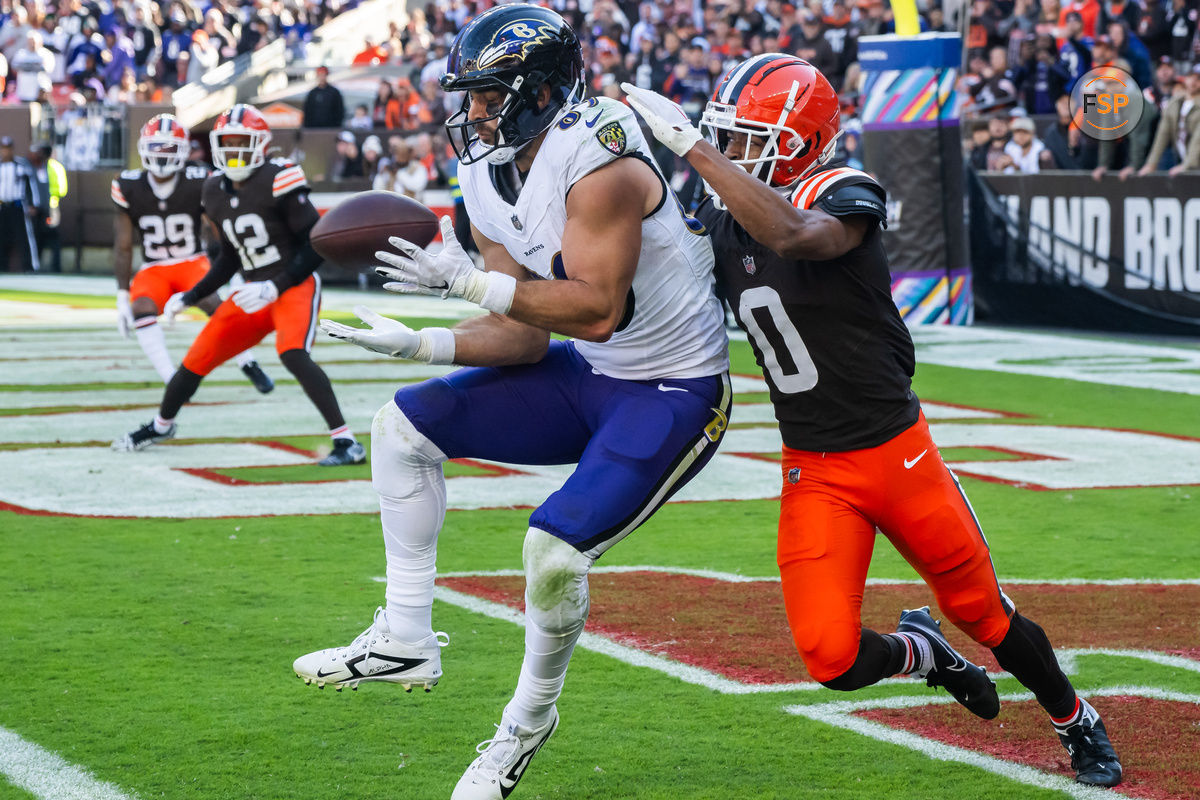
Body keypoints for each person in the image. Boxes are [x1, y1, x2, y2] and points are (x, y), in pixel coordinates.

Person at [621, 55, 1124, 789]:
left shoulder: (841, 191)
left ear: (795, 141)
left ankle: (1075, 718)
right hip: (815, 468)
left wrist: (694, 152)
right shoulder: (719, 219)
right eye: (721, 140)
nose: (726, 153)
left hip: (897, 454)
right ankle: (927, 653)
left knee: (984, 613)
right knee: (830, 658)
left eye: (741, 139)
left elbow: (798, 236)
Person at [293, 6, 729, 799]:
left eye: (489, 95)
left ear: (541, 92)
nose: (473, 113)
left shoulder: (601, 156)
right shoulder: (485, 170)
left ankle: (524, 726)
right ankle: (404, 635)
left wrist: (461, 280)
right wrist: (423, 344)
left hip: (673, 383)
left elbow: (594, 305)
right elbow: (522, 331)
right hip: (590, 372)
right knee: (401, 426)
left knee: (553, 555)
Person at [113, 104, 365, 468]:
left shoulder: (279, 177)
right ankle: (161, 425)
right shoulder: (213, 188)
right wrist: (192, 295)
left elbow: (315, 245)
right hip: (252, 291)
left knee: (292, 353)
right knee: (195, 361)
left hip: (293, 285)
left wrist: (275, 286)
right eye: (227, 143)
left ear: (261, 144)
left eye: (241, 142)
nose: (233, 150)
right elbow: (230, 256)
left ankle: (347, 443)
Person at [111, 114, 273, 390]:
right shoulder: (127, 185)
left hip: (192, 262)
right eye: (156, 147)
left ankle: (247, 361)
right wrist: (123, 295)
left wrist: (234, 266)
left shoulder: (198, 179)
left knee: (214, 304)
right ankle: (172, 380)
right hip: (153, 268)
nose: (161, 156)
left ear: (183, 151)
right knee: (142, 309)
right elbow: (123, 246)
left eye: (169, 148)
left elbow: (219, 227)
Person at [1139, 62, 1200, 175]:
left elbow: (1198, 140)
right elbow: (1162, 134)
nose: (1194, 82)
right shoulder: (1175, 102)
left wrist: (1187, 165)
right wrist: (1151, 164)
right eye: (1191, 77)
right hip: (1182, 158)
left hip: (1193, 163)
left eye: (1198, 79)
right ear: (1185, 78)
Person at [0, 134, 40, 272]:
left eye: (8, 148)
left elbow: (30, 185)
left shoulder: (21, 165)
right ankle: (2, 267)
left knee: (23, 237)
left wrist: (33, 203)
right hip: (1, 205)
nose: (5, 152)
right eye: (3, 148)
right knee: (2, 238)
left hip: (17, 206)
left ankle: (29, 266)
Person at [29, 142, 66, 273]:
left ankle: (49, 267)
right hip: (45, 207)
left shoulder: (49, 167)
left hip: (49, 207)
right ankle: (43, 266)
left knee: (48, 237)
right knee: (43, 237)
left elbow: (60, 189)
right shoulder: (42, 166)